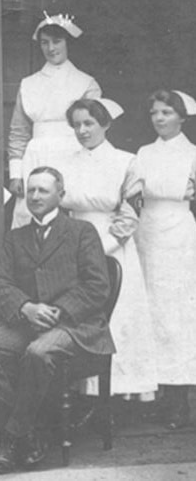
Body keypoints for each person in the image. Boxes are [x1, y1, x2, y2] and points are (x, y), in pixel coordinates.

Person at [0, 166, 112, 475]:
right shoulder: (16, 237)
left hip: (76, 325)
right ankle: (27, 436)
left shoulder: (82, 232)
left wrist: (58, 311)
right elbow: (0, 282)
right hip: (27, 322)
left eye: (43, 190)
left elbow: (98, 286)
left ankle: (11, 441)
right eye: (30, 190)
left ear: (61, 194)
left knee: (39, 352)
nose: (35, 196)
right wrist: (27, 308)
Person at [61, 98, 158, 397]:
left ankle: (119, 392)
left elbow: (131, 211)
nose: (82, 130)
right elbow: (62, 208)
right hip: (74, 245)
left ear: (105, 124)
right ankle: (82, 391)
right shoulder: (66, 162)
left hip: (113, 247)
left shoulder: (126, 162)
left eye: (89, 123)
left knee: (119, 318)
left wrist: (106, 246)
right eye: (76, 124)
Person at [126, 89, 196, 429]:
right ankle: (148, 392)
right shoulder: (143, 152)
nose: (159, 118)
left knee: (176, 312)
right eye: (155, 112)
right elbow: (134, 189)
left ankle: (178, 397)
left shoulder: (193, 154)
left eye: (167, 112)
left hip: (179, 234)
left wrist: (176, 191)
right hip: (147, 232)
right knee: (149, 309)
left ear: (182, 117)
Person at [8, 13, 102, 227]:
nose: (51, 48)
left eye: (57, 41)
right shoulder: (28, 84)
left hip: (74, 155)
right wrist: (15, 174)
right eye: (44, 42)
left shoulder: (86, 83)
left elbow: (94, 132)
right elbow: (19, 131)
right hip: (36, 156)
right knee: (33, 216)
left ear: (68, 42)